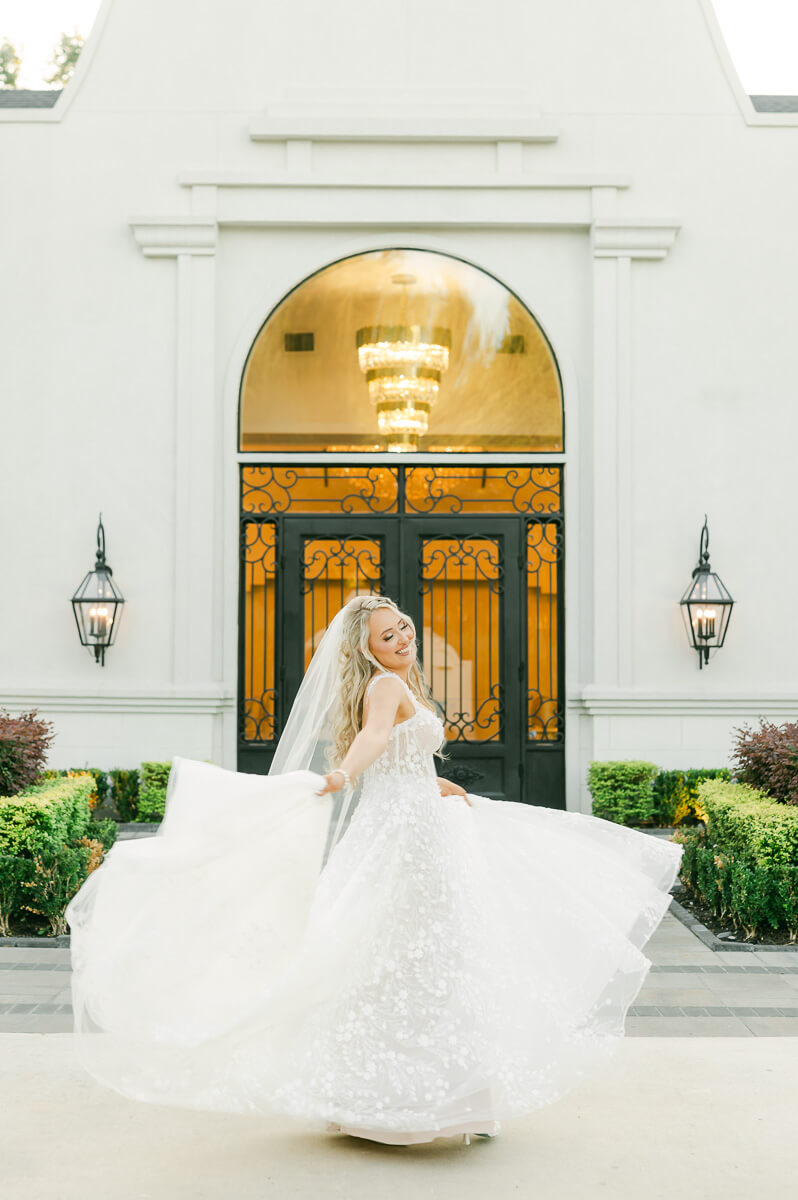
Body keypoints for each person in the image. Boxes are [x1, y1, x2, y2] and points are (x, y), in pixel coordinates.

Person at [66, 594, 683, 1147]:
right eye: (388, 636)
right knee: (416, 951)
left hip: (414, 818)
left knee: (414, 951)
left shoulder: (401, 682)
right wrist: (345, 775)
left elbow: (400, 756)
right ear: (367, 650)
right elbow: (375, 739)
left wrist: (435, 781)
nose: (402, 639)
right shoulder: (385, 688)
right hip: (405, 834)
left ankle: (421, 1096)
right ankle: (417, 1099)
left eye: (404, 627)